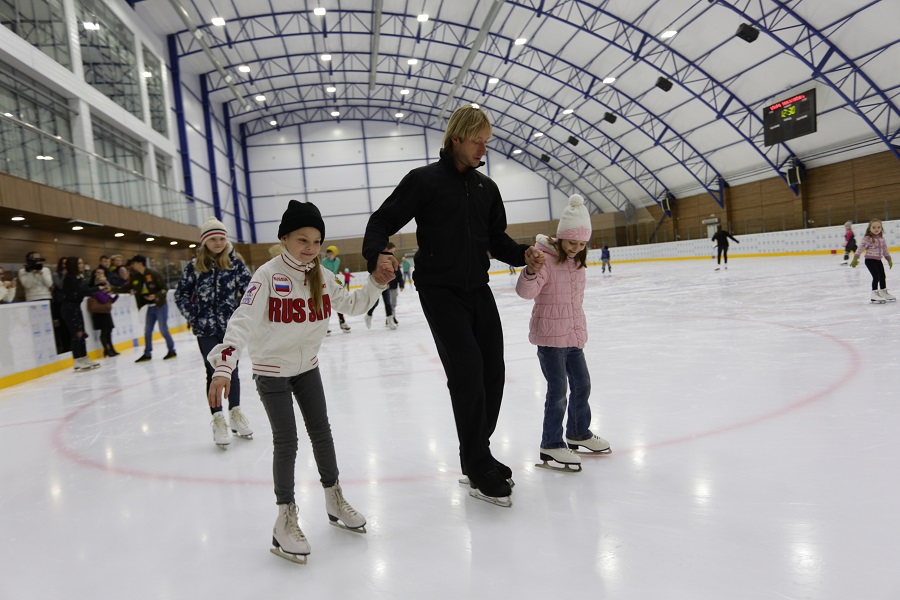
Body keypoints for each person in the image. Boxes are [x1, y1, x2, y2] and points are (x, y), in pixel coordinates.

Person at [362, 104, 545, 507]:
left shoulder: (486, 188)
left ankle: (477, 450)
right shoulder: (424, 181)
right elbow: (381, 221)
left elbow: (496, 240)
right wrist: (376, 254)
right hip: (439, 290)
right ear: (457, 138)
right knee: (466, 370)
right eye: (479, 141)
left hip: (477, 288)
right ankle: (478, 464)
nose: (485, 148)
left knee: (493, 371)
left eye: (487, 142)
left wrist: (523, 255)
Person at [206, 200, 394, 564]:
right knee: (287, 441)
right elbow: (242, 320)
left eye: (316, 241)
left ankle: (333, 497)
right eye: (302, 240)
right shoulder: (265, 275)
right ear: (284, 238)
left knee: (322, 433)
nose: (310, 248)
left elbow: (352, 306)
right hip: (271, 370)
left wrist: (374, 283)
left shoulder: (321, 274)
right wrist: (224, 365)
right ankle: (285, 517)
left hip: (308, 366)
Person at [516, 195, 611, 473]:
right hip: (549, 338)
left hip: (571, 336)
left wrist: (579, 329)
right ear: (560, 238)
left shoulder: (576, 263)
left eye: (581, 244)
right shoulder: (544, 259)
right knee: (558, 391)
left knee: (582, 384)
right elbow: (526, 292)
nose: (576, 248)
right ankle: (552, 443)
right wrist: (530, 272)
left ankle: (578, 432)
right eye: (572, 242)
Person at [175, 217, 253, 448]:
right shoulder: (194, 267)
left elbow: (250, 292)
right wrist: (194, 316)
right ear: (205, 242)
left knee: (233, 370)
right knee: (213, 372)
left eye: (222, 238)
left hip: (231, 329)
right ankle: (218, 418)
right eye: (213, 239)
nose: (218, 243)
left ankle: (236, 413)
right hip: (206, 329)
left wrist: (242, 315)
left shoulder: (235, 264)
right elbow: (180, 295)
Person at [116, 255, 177, 362]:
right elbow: (126, 288)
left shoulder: (154, 274)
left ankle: (171, 350)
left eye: (134, 263)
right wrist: (112, 289)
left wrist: (156, 296)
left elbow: (164, 289)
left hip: (160, 306)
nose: (132, 265)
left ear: (140, 263)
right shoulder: (136, 277)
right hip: (149, 307)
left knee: (163, 329)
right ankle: (147, 353)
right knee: (147, 331)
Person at [61, 257, 103, 372]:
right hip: (69, 308)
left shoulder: (77, 277)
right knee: (77, 334)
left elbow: (85, 288)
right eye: (79, 263)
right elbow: (82, 291)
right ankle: (77, 360)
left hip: (75, 307)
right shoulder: (70, 278)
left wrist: (97, 286)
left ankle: (84, 357)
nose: (82, 265)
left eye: (82, 262)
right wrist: (98, 288)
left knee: (82, 333)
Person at [850, 218, 894, 303]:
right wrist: (856, 257)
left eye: (878, 227)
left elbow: (885, 250)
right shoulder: (868, 238)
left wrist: (889, 259)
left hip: (878, 260)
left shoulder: (882, 239)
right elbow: (861, 248)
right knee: (876, 276)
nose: (876, 229)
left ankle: (883, 292)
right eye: (874, 227)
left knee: (882, 276)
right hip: (870, 260)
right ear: (869, 228)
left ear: (881, 228)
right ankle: (874, 294)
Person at [364, 242, 398, 330]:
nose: (392, 252)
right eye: (392, 250)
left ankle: (390, 321)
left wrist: (388, 283)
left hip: (386, 284)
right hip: (377, 283)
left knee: (388, 302)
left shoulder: (389, 258)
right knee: (375, 303)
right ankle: (368, 315)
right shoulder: (378, 256)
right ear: (388, 249)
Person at [87, 268, 119, 357]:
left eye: (104, 279)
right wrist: (106, 293)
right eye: (101, 280)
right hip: (100, 313)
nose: (103, 282)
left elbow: (110, 301)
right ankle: (106, 349)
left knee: (109, 330)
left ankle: (111, 348)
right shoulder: (96, 290)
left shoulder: (104, 289)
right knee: (104, 332)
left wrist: (115, 295)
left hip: (105, 312)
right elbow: (103, 300)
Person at [320, 245, 350, 333]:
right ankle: (324, 326)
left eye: (331, 254)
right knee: (325, 305)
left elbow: (334, 273)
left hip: (334, 282)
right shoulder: (324, 261)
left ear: (335, 253)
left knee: (338, 303)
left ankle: (342, 323)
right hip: (325, 283)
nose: (329, 256)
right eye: (328, 254)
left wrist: (339, 284)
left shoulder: (338, 260)